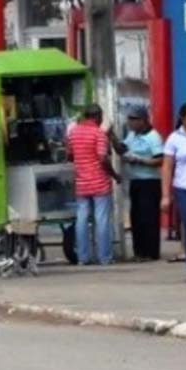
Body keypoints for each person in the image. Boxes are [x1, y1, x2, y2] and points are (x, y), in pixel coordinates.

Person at [67, 104, 120, 266]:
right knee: (101, 219)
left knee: (82, 219)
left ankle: (83, 258)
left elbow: (69, 155)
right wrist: (114, 175)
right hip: (99, 183)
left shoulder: (74, 133)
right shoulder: (99, 134)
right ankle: (105, 257)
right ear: (98, 116)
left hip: (82, 183)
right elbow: (103, 158)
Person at [109, 106, 163, 261]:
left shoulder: (153, 137)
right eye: (129, 119)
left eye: (133, 120)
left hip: (150, 182)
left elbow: (160, 159)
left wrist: (140, 160)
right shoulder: (132, 135)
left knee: (149, 217)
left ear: (143, 120)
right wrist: (112, 136)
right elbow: (121, 149)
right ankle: (139, 251)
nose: (130, 123)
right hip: (135, 181)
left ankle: (151, 252)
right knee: (136, 217)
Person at [161, 102, 186, 281]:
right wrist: (165, 195)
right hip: (183, 188)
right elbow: (167, 167)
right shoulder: (174, 139)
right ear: (183, 118)